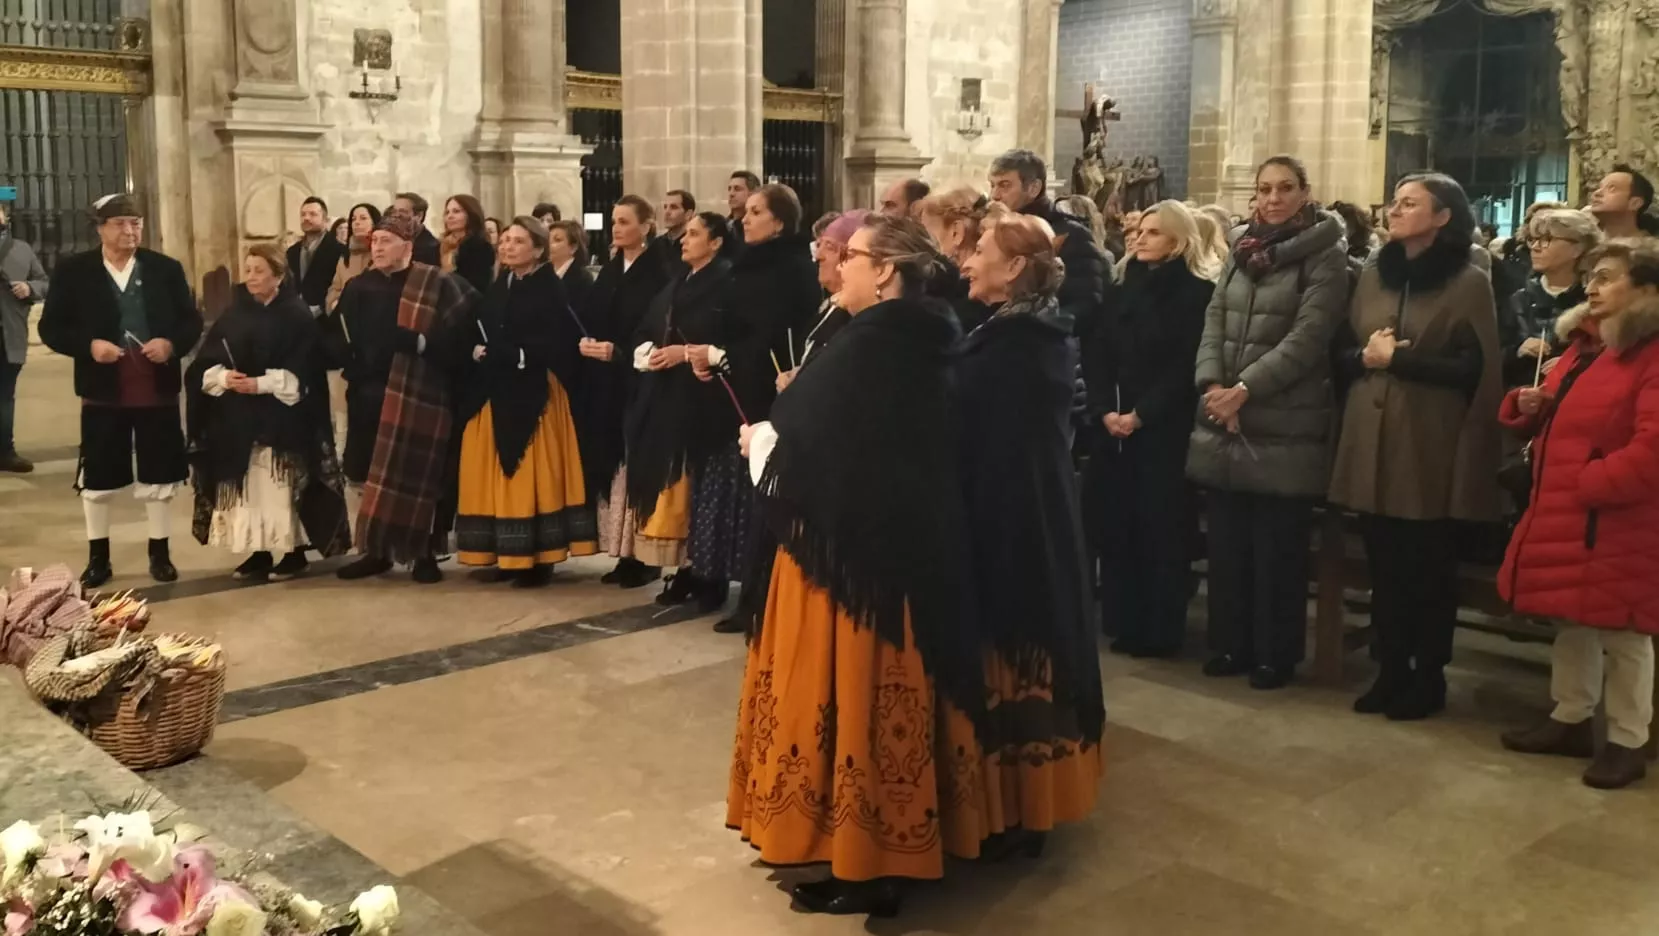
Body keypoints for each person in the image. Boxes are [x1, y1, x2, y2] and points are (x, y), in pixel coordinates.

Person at [727, 215, 986, 917]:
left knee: (860, 704)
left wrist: (765, 444)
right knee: (847, 704)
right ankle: (845, 851)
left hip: (867, 562)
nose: (836, 266)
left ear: (886, 272)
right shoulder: (894, 335)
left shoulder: (886, 343)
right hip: (871, 546)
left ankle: (872, 864)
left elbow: (841, 442)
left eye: (851, 257)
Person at [957, 209, 1104, 859]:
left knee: (1019, 660)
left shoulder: (1015, 346)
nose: (965, 260)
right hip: (1027, 514)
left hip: (1015, 524)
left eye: (979, 249)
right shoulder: (1022, 333)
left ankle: (1024, 806)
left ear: (1014, 267)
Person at [1328, 172, 1503, 720]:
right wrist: (1364, 358)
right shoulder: (1374, 274)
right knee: (1382, 562)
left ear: (1443, 216)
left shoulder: (1470, 280)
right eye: (1394, 202)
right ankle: (1390, 669)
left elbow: (1474, 368)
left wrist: (1398, 360)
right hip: (1370, 437)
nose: (1395, 210)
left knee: (1426, 568)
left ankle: (1428, 677)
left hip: (1430, 441)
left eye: (1410, 203)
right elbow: (1341, 353)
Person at [1496, 238, 1659, 790]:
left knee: (1625, 633)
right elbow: (1559, 411)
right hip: (1573, 510)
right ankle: (1569, 717)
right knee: (1575, 622)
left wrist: (1589, 481)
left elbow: (1652, 448)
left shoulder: (1652, 351)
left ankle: (1627, 739)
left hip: (1619, 517)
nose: (1591, 286)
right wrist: (1528, 406)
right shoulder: (1589, 345)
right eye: (1591, 276)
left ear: (1647, 290)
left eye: (1607, 276)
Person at [1187, 156, 1348, 690]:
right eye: (1264, 189)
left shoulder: (1325, 254)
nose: (1273, 198)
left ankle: (1274, 654)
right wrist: (1212, 384)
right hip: (1225, 410)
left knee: (1277, 549)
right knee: (1229, 545)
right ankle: (1230, 643)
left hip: (1286, 417)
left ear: (1306, 192)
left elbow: (1309, 336)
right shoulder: (1241, 249)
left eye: (1284, 188)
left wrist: (1245, 390)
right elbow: (1215, 319)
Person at [39, 193, 202, 587]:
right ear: (100, 229)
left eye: (136, 224)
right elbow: (51, 327)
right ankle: (99, 558)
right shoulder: (75, 271)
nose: (131, 232)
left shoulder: (165, 269)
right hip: (103, 390)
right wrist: (89, 346)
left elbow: (190, 321)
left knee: (159, 472)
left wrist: (171, 345)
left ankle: (159, 553)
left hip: (156, 388)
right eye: (121, 224)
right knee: (99, 475)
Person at [1084, 200, 1217, 658]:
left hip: (1163, 428)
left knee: (1160, 527)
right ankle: (1125, 619)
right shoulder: (1121, 290)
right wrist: (1104, 410)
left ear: (1178, 240)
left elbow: (1185, 365)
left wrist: (1142, 414)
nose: (1139, 238)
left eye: (1153, 232)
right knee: (1120, 525)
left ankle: (1161, 627)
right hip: (1113, 426)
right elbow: (1098, 354)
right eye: (1139, 231)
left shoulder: (1196, 294)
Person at [324, 212, 472, 584]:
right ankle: (375, 551)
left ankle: (423, 554)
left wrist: (422, 343)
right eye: (374, 241)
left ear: (407, 246)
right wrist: (348, 359)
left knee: (421, 476)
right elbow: (337, 334)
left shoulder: (436, 283)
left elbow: (463, 338)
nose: (377, 247)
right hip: (369, 392)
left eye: (385, 241)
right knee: (365, 472)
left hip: (421, 393)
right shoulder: (358, 286)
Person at [185, 244, 349, 580]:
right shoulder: (235, 313)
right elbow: (204, 361)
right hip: (238, 420)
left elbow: (306, 370)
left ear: (278, 275)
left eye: (259, 270)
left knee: (280, 489)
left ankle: (292, 551)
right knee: (251, 491)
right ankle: (258, 551)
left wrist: (261, 384)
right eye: (248, 270)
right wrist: (222, 376)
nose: (251, 277)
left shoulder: (296, 314)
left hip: (282, 420)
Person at [454, 217, 598, 587]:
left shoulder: (550, 288)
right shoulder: (501, 283)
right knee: (490, 465)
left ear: (537, 250)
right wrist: (477, 348)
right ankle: (504, 551)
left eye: (517, 242)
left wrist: (515, 354)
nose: (507, 247)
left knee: (529, 471)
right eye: (504, 241)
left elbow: (557, 340)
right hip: (497, 387)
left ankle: (538, 557)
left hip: (535, 391)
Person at [629, 212, 739, 611]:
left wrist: (685, 353)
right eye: (685, 234)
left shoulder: (727, 282)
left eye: (694, 234)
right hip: (667, 397)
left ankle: (711, 578)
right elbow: (649, 325)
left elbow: (724, 338)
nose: (684, 240)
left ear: (716, 242)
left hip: (704, 402)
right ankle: (683, 571)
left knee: (703, 494)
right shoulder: (677, 281)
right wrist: (650, 352)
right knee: (677, 493)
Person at [580, 195, 674, 588]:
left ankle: (646, 558)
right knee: (615, 466)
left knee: (639, 464)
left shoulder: (660, 270)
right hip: (607, 381)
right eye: (614, 221)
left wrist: (619, 351)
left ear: (646, 226)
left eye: (624, 221)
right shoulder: (611, 268)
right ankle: (622, 552)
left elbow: (655, 325)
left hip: (642, 379)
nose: (616, 228)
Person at [988, 149, 1110, 333]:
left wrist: (1035, 331)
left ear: (1034, 188)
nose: (994, 195)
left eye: (1004, 185)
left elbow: (1085, 301)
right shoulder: (994, 232)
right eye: (992, 185)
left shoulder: (1071, 234)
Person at [1505, 208, 1599, 387]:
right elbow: (1491, 357)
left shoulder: (1593, 300)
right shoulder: (1518, 298)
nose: (1535, 247)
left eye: (1547, 240)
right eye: (1532, 240)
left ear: (1577, 249)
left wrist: (1573, 364)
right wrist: (1517, 350)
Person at [0, 202, 48, 473]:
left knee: (5, 396)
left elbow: (44, 282)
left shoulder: (21, 249)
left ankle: (5, 451)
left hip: (10, 333)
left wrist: (29, 288)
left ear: (5, 215)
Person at [917, 188, 995, 333]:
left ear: (956, 232)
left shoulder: (961, 305)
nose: (923, 245)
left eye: (926, 234)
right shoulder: (992, 287)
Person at [286, 196, 344, 316]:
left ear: (325, 220)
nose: (306, 218)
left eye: (313, 214)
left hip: (326, 320)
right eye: (303, 214)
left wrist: (322, 308)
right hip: (296, 317)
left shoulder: (339, 250)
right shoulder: (292, 252)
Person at [439, 194, 496, 295]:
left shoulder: (480, 247)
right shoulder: (442, 245)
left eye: (456, 211)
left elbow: (476, 287)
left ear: (471, 215)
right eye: (447, 212)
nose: (450, 216)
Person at [1589, 165, 1659, 238]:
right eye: (1599, 187)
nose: (1596, 193)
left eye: (1612, 188)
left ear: (1635, 203)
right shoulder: (1584, 243)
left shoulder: (1650, 248)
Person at [549, 219, 594, 312]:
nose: (549, 245)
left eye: (557, 240)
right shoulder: (545, 274)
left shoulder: (583, 279)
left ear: (573, 247)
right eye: (547, 239)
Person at [392, 192, 442, 266]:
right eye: (394, 211)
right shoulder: (391, 239)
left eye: (402, 211)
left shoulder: (431, 247)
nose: (396, 215)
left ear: (419, 216)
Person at [726, 170, 760, 241]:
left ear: (752, 194)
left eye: (737, 189)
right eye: (729, 189)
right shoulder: (723, 225)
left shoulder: (755, 227)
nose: (731, 194)